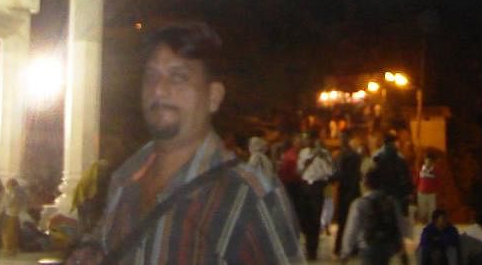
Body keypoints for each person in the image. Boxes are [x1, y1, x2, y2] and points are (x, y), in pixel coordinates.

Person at [68, 20, 304, 263]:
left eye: (178, 77)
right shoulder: (123, 182)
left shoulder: (248, 196)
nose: (159, 90)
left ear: (213, 97)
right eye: (151, 76)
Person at [341, 168, 404, 264]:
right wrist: (401, 249)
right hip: (386, 247)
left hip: (367, 246)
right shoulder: (391, 202)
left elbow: (352, 229)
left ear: (366, 183)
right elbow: (399, 226)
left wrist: (346, 252)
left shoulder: (359, 203)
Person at [372, 134, 414, 264]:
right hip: (396, 197)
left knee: (382, 226)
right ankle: (401, 253)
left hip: (382, 197)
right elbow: (406, 180)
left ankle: (384, 254)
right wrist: (407, 194)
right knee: (397, 227)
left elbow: (374, 178)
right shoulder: (400, 159)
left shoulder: (378, 158)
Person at [298, 128, 335, 260]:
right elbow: (300, 169)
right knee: (306, 218)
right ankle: (308, 246)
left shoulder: (324, 153)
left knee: (315, 217)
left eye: (308, 138)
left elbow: (330, 171)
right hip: (305, 185)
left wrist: (323, 157)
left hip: (317, 186)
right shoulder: (303, 153)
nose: (306, 141)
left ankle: (313, 249)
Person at [334, 131, 364, 258]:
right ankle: (353, 247)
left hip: (345, 191)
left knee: (343, 221)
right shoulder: (356, 156)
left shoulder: (342, 156)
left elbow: (339, 174)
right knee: (354, 220)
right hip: (354, 190)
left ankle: (340, 247)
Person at [418, 153, 442, 223]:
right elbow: (417, 180)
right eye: (426, 161)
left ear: (431, 162)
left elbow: (438, 182)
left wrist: (437, 191)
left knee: (432, 210)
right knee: (422, 210)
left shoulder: (435, 171)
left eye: (429, 161)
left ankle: (431, 224)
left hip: (431, 194)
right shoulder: (420, 169)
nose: (427, 163)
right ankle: (421, 223)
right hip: (421, 193)